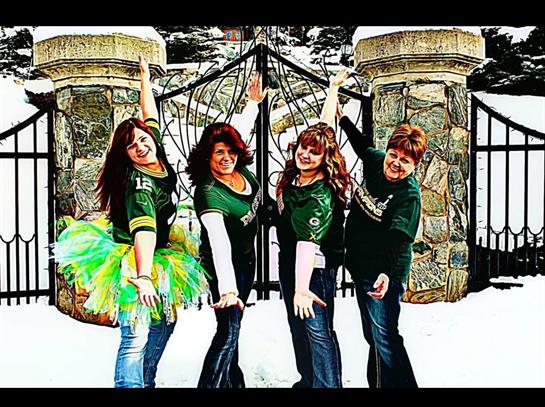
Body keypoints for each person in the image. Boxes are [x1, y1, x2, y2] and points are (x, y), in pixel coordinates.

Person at [54, 55, 209, 388]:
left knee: (164, 323)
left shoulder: (156, 151)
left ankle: (144, 382)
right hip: (134, 257)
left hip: (159, 252)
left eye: (142, 139)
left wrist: (144, 79)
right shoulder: (140, 185)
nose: (140, 147)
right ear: (125, 156)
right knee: (135, 335)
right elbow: (145, 232)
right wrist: (143, 276)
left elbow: (150, 115)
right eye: (130, 147)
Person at [324, 68, 428, 388]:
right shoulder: (377, 162)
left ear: (415, 165)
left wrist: (385, 274)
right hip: (361, 266)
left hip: (384, 272)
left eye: (405, 161)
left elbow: (399, 239)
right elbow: (362, 145)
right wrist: (341, 118)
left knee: (385, 336)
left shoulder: (408, 195)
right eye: (394, 155)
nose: (395, 163)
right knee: (373, 335)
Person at [186, 72, 268, 388]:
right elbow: (219, 243)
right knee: (229, 330)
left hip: (247, 259)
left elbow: (240, 132)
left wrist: (253, 103)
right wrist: (228, 290)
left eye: (231, 152)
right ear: (207, 155)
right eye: (219, 152)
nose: (226, 158)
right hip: (224, 268)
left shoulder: (238, 167)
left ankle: (235, 382)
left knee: (233, 327)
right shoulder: (209, 193)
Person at [274, 96, 352, 387]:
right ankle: (308, 381)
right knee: (299, 328)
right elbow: (324, 125)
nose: (305, 154)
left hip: (314, 270)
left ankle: (328, 385)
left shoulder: (318, 195)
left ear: (325, 159)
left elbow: (307, 245)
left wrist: (302, 289)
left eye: (314, 152)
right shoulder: (297, 175)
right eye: (303, 147)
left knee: (318, 332)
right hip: (291, 262)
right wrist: (332, 90)